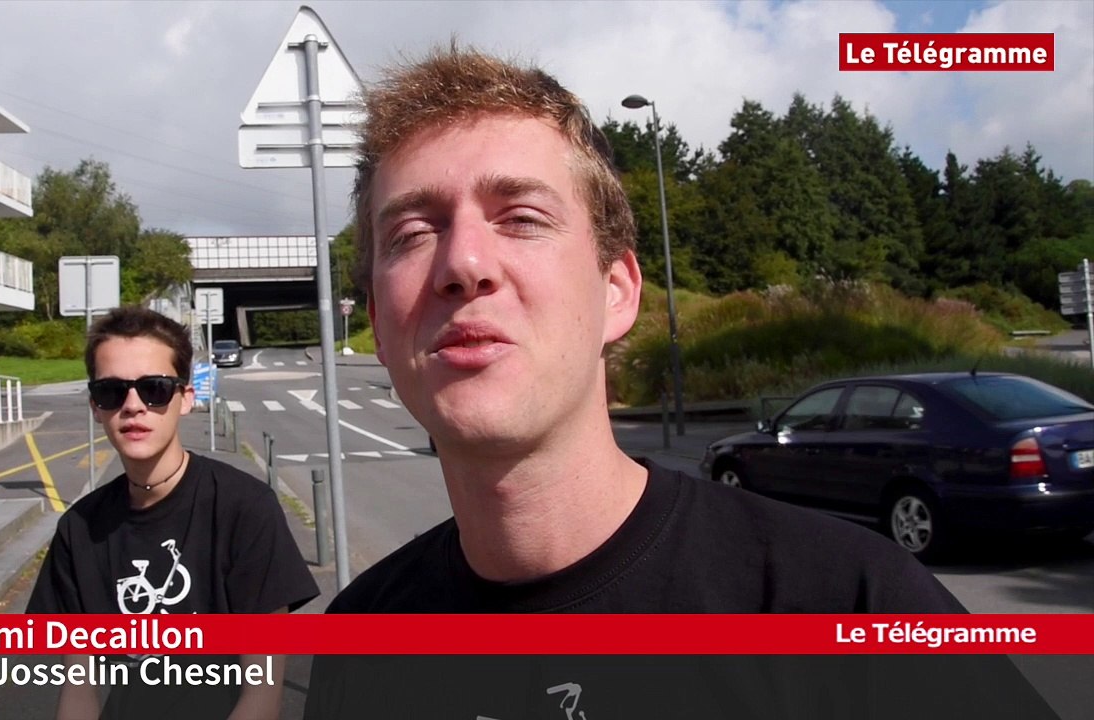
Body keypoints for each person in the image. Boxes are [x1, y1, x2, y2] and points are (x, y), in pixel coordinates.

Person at [299, 44, 1062, 720]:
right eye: (411, 233)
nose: (464, 263)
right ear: (377, 320)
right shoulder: (361, 641)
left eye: (522, 218)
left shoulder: (844, 611)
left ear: (618, 292)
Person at [27, 306, 318, 720]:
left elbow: (262, 695)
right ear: (95, 405)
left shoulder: (245, 508)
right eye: (112, 391)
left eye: (155, 388)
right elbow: (80, 690)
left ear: (185, 399)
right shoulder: (79, 528)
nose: (133, 406)